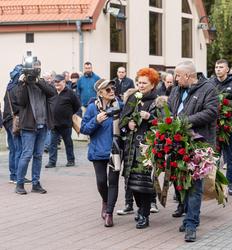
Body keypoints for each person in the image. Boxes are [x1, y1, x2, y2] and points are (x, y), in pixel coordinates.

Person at [168, 61, 218, 242]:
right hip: (178, 142)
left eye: (178, 75)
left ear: (188, 76)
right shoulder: (175, 90)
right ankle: (190, 217)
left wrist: (185, 120)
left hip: (199, 143)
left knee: (195, 186)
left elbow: (211, 112)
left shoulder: (208, 89)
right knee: (182, 184)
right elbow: (170, 110)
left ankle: (190, 225)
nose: (175, 79)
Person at [120, 68, 160, 229]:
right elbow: (123, 118)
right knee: (132, 182)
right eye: (139, 82)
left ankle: (144, 213)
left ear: (152, 85)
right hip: (131, 146)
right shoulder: (133, 98)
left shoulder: (158, 101)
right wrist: (128, 123)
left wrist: (150, 118)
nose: (140, 85)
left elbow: (165, 123)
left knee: (145, 183)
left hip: (148, 147)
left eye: (144, 83)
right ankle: (140, 208)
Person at [80, 78, 122, 227]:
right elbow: (83, 129)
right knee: (101, 181)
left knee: (113, 182)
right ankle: (105, 201)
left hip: (115, 150)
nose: (112, 92)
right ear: (100, 93)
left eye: (113, 89)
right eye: (108, 90)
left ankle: (109, 213)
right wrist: (96, 120)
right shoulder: (92, 108)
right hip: (98, 150)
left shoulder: (119, 106)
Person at [15, 60, 56, 195]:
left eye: (37, 67)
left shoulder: (42, 82)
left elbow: (52, 93)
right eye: (33, 68)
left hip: (42, 125)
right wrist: (23, 83)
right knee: (26, 155)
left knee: (38, 155)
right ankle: (19, 184)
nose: (35, 70)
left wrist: (38, 81)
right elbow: (20, 102)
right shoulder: (24, 84)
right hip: (29, 126)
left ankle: (35, 184)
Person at [211, 59, 232, 196]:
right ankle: (212, 182)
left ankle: (230, 183)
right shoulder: (210, 83)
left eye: (221, 67)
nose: (218, 69)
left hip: (230, 125)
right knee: (213, 156)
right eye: (216, 67)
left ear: (227, 69)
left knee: (230, 156)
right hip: (213, 125)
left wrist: (225, 103)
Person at [45, 74, 81, 168]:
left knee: (68, 143)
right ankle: (52, 162)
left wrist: (69, 114)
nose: (56, 84)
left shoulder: (70, 93)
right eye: (55, 82)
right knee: (52, 144)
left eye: (58, 82)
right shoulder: (52, 92)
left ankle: (71, 160)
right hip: (54, 123)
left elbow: (77, 105)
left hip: (66, 123)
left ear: (64, 82)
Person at [2, 64, 24, 184]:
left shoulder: (9, 86)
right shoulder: (17, 87)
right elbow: (19, 105)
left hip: (7, 120)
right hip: (14, 121)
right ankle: (17, 176)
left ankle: (13, 175)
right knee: (18, 149)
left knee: (13, 149)